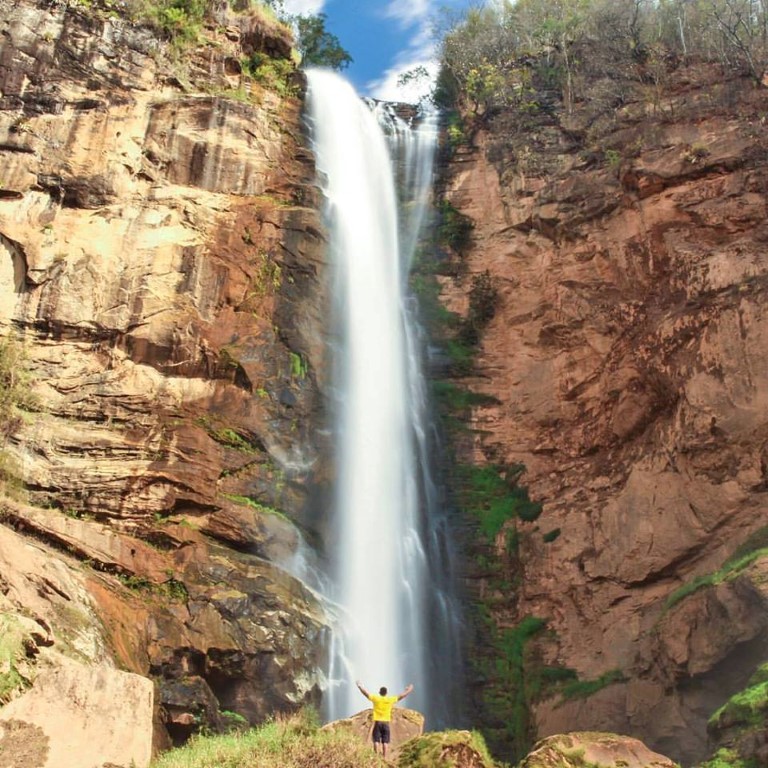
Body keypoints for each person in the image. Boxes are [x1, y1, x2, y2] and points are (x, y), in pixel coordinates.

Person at [355, 679, 414, 758]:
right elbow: (401, 696)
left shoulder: (376, 699)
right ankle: (384, 757)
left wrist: (360, 686)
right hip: (386, 722)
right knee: (385, 741)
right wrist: (409, 690)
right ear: (386, 693)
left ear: (379, 692)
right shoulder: (390, 700)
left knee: (376, 740)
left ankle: (376, 756)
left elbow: (366, 693)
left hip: (378, 722)